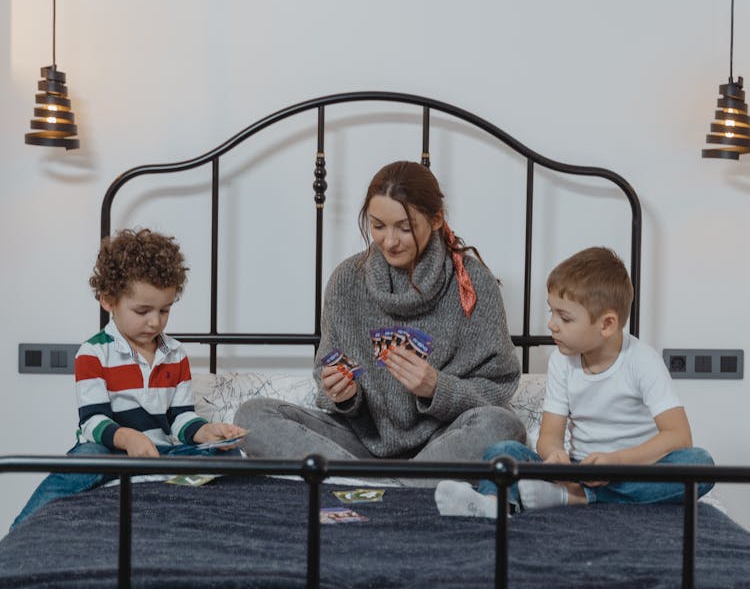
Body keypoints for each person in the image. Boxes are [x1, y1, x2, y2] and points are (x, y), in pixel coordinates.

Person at [235, 160, 524, 463]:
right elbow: (327, 373)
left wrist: (437, 388)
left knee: (504, 425)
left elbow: (499, 386)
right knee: (251, 415)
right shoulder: (346, 279)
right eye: (377, 225)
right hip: (358, 446)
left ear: (437, 219)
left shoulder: (471, 282)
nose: (389, 241)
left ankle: (371, 485)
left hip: (443, 440)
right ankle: (400, 487)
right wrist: (343, 395)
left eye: (405, 227)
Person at [435, 246, 715, 518]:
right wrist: (555, 456)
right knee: (503, 451)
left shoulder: (642, 361)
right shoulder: (561, 361)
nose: (551, 325)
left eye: (564, 318)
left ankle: (575, 498)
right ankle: (494, 503)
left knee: (699, 464)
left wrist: (616, 462)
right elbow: (550, 435)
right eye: (551, 312)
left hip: (632, 470)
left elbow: (679, 436)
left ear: (607, 325)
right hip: (577, 469)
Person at [11, 228, 245, 528]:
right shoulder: (93, 353)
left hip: (158, 451)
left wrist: (206, 433)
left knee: (230, 456)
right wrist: (127, 438)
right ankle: (19, 530)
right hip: (107, 450)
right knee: (81, 463)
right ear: (108, 301)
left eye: (164, 310)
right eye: (142, 310)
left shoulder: (175, 354)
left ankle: (162, 488)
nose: (154, 321)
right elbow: (93, 422)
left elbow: (180, 419)